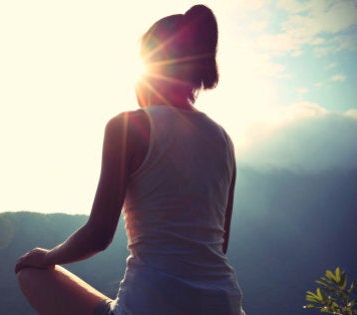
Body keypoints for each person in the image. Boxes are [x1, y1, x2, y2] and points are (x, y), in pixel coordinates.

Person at [14, 4, 244, 315]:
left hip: (150, 306)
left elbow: (97, 236)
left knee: (31, 273)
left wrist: (48, 257)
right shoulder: (223, 140)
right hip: (225, 304)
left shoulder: (129, 126)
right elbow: (219, 243)